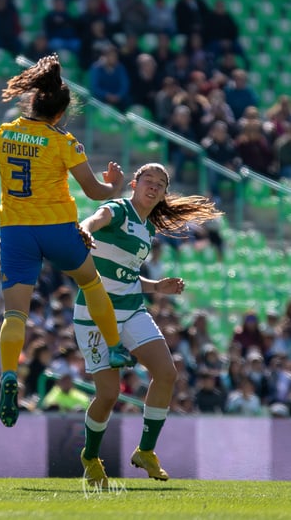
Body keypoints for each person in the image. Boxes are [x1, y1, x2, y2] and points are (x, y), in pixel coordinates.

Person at [0, 54, 134, 428]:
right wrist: (114, 185)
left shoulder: (4, 134)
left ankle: (9, 374)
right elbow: (94, 191)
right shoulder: (63, 142)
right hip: (57, 228)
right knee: (90, 281)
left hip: (16, 232)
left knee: (15, 314)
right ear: (61, 113)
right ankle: (115, 346)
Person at [74, 162, 222, 487]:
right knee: (109, 394)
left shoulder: (147, 229)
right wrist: (84, 228)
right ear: (134, 184)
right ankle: (90, 456)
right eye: (148, 180)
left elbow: (125, 276)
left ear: (163, 194)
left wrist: (156, 287)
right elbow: (96, 220)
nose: (152, 187)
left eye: (160, 184)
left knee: (167, 373)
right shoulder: (119, 209)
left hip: (130, 308)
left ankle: (146, 450)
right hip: (94, 313)